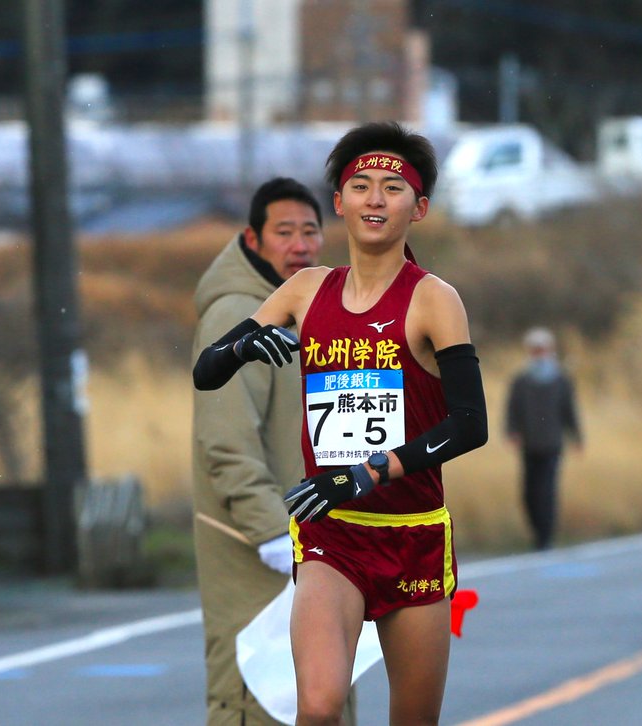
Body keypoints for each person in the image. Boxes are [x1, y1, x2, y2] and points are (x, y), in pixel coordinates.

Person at [193, 122, 488, 726]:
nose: (375, 199)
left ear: (419, 207)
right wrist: (246, 346)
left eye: (392, 187)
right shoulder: (305, 289)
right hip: (332, 535)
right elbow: (206, 371)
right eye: (360, 185)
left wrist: (368, 471)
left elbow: (470, 423)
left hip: (414, 536)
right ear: (339, 203)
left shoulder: (434, 298)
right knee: (320, 707)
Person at [192, 177, 360, 725]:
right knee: (259, 701)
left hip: (320, 544)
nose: (300, 245)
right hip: (257, 552)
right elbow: (226, 441)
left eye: (309, 231)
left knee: (323, 695)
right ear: (253, 239)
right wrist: (271, 532)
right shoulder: (236, 318)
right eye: (283, 232)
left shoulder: (316, 310)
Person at [505, 327, 582, 550]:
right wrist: (512, 431)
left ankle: (545, 537)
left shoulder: (561, 380)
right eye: (535, 349)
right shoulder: (521, 380)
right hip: (529, 443)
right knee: (529, 492)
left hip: (552, 443)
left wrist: (576, 436)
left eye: (542, 349)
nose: (539, 353)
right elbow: (512, 409)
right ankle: (536, 531)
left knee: (547, 490)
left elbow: (570, 410)